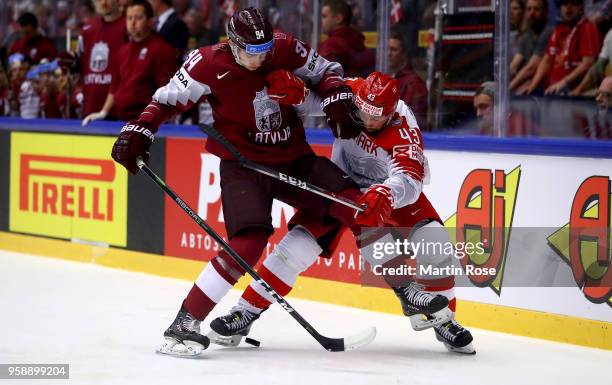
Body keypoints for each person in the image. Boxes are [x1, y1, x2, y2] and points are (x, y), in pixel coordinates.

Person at [110, 7, 362, 357]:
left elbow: (328, 72)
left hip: (294, 157)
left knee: (355, 203)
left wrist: (335, 94)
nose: (259, 60)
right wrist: (142, 128)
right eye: (251, 53)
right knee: (248, 244)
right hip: (244, 166)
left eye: (265, 52)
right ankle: (184, 322)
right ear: (232, 43)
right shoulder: (206, 63)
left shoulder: (286, 48)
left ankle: (413, 291)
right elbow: (166, 100)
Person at [209, 71, 476, 355]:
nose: (368, 121)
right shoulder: (350, 92)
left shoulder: (404, 128)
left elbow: (410, 179)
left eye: (377, 118)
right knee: (295, 247)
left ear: (392, 112)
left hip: (387, 191)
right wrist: (299, 95)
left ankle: (445, 320)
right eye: (362, 114)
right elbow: (318, 101)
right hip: (340, 185)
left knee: (435, 241)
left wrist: (385, 194)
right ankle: (245, 312)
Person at [82, 0, 176, 124]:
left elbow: (166, 88)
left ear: (150, 22)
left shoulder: (161, 49)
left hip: (146, 121)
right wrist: (104, 111)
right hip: (121, 119)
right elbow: (115, 84)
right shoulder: (123, 50)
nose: (133, 23)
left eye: (138, 18)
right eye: (129, 18)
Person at [60, 0, 128, 117]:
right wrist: (71, 64)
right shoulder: (89, 28)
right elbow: (81, 63)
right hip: (90, 105)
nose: (103, 3)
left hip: (118, 109)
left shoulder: (128, 27)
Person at [525, 0, 602, 95]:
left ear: (581, 8)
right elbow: (547, 61)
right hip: (553, 91)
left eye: (573, 3)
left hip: (575, 94)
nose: (568, 8)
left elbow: (588, 63)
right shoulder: (559, 30)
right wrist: (532, 86)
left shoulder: (588, 28)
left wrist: (563, 82)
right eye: (564, 3)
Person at [318, 0, 375, 77]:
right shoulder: (361, 45)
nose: (321, 21)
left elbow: (323, 79)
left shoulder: (331, 45)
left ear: (338, 18)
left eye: (324, 16)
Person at [509, 0, 553, 93]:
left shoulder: (549, 32)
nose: (532, 13)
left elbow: (532, 67)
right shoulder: (528, 34)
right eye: (529, 9)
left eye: (536, 9)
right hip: (527, 85)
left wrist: (507, 89)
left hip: (544, 87)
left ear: (545, 12)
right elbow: (515, 63)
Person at [388, 29, 428, 129]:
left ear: (404, 54)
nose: (388, 53)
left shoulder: (414, 83)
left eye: (394, 50)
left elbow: (413, 121)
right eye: (387, 49)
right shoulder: (388, 77)